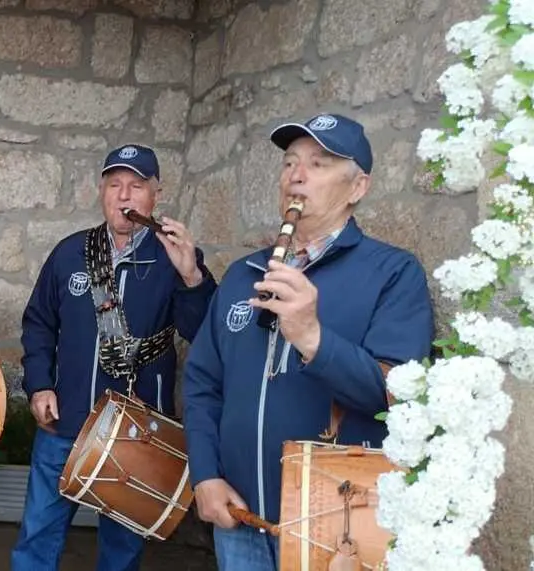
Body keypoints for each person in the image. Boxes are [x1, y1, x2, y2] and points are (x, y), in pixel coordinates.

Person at [181, 113, 435, 570]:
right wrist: (205, 475)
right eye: (290, 163)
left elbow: (399, 396)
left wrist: (313, 338)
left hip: (334, 526)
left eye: (318, 164)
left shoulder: (393, 274)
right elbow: (203, 385)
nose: (296, 175)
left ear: (358, 188)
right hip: (238, 519)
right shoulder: (244, 274)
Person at [10, 144, 217, 571]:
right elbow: (38, 324)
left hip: (138, 433)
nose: (124, 196)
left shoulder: (173, 257)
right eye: (114, 185)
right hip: (64, 422)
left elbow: (202, 333)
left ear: (155, 196)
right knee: (37, 538)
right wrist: (39, 385)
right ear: (101, 192)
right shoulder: (70, 253)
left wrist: (192, 276)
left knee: (122, 551)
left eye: (136, 186)